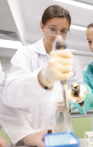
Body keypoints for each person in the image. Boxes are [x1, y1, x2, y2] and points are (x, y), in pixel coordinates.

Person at [0, 5, 77, 146]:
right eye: (52, 29)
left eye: (64, 31)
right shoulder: (26, 54)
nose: (59, 36)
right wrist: (42, 79)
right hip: (26, 136)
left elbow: (74, 90)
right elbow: (10, 95)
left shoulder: (69, 61)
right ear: (42, 26)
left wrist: (70, 103)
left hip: (54, 135)